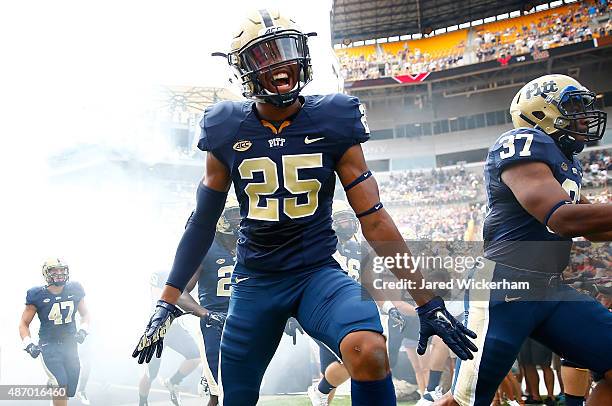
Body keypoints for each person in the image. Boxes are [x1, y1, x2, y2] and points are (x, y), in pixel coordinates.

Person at [133, 9, 477, 406]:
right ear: (243, 70)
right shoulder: (225, 125)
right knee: (237, 394)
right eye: (266, 55)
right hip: (256, 280)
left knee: (370, 348)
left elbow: (375, 219)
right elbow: (201, 223)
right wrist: (167, 301)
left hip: (317, 272)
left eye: (288, 49)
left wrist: (427, 301)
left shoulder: (333, 116)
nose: (282, 63)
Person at [438, 74, 612, 406]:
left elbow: (593, 228)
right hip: (505, 285)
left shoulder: (565, 163)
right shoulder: (523, 143)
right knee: (465, 401)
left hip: (550, 288)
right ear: (540, 112)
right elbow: (561, 218)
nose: (583, 116)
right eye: (573, 107)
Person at [175, 198, 240, 406]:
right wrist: (206, 314)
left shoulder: (248, 245)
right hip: (215, 323)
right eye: (233, 214)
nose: (239, 219)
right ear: (221, 219)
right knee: (219, 391)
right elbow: (180, 292)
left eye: (240, 213)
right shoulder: (207, 248)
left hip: (243, 319)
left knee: (243, 386)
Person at [19, 259, 90, 406]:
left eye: (62, 270)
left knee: (70, 386)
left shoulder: (75, 289)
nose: (59, 274)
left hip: (70, 346)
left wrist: (83, 330)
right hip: (49, 346)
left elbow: (85, 314)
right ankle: (54, 383)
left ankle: (53, 384)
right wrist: (29, 344)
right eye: (54, 271)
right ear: (46, 273)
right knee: (60, 385)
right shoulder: (37, 294)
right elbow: (24, 324)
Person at [138, 270, 201, 406]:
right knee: (151, 373)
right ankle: (142, 402)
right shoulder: (161, 274)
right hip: (159, 326)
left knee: (195, 356)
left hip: (175, 327)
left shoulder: (189, 273)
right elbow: (159, 298)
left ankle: (173, 382)